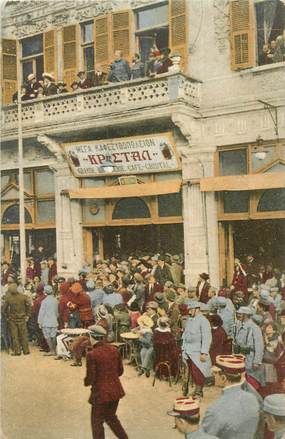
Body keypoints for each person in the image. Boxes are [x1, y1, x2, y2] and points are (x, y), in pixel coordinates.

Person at [84, 326, 128, 439]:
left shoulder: (92, 354)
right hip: (115, 391)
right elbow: (120, 371)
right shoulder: (114, 349)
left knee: (96, 422)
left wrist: (86, 381)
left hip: (100, 394)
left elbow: (91, 378)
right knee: (111, 417)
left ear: (91, 337)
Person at [202, 354, 260, 439]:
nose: (213, 376)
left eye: (215, 373)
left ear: (223, 378)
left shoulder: (215, 409)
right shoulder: (253, 398)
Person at [182, 301, 212, 398]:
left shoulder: (204, 321)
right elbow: (185, 335)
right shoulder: (190, 320)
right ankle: (196, 390)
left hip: (197, 351)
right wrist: (183, 348)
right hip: (188, 350)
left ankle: (199, 392)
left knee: (198, 372)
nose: (190, 312)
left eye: (191, 309)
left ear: (197, 309)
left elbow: (207, 338)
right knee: (192, 372)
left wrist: (204, 353)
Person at [234, 306, 264, 390]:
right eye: (238, 313)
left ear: (246, 315)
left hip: (250, 358)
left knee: (250, 381)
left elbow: (259, 346)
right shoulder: (240, 325)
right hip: (241, 356)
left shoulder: (254, 328)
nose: (238, 315)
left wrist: (256, 361)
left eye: (240, 314)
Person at [3, 282, 31, 355]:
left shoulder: (8, 298)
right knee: (24, 335)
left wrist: (7, 316)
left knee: (14, 336)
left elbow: (4, 309)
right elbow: (29, 306)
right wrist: (27, 315)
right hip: (22, 318)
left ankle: (17, 351)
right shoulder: (23, 297)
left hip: (12, 319)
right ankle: (26, 350)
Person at [37, 285, 59, 356]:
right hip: (54, 321)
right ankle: (55, 350)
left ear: (45, 292)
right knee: (53, 336)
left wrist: (40, 322)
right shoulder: (56, 300)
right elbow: (56, 312)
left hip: (46, 322)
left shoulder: (44, 301)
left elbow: (41, 313)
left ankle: (51, 350)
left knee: (47, 337)